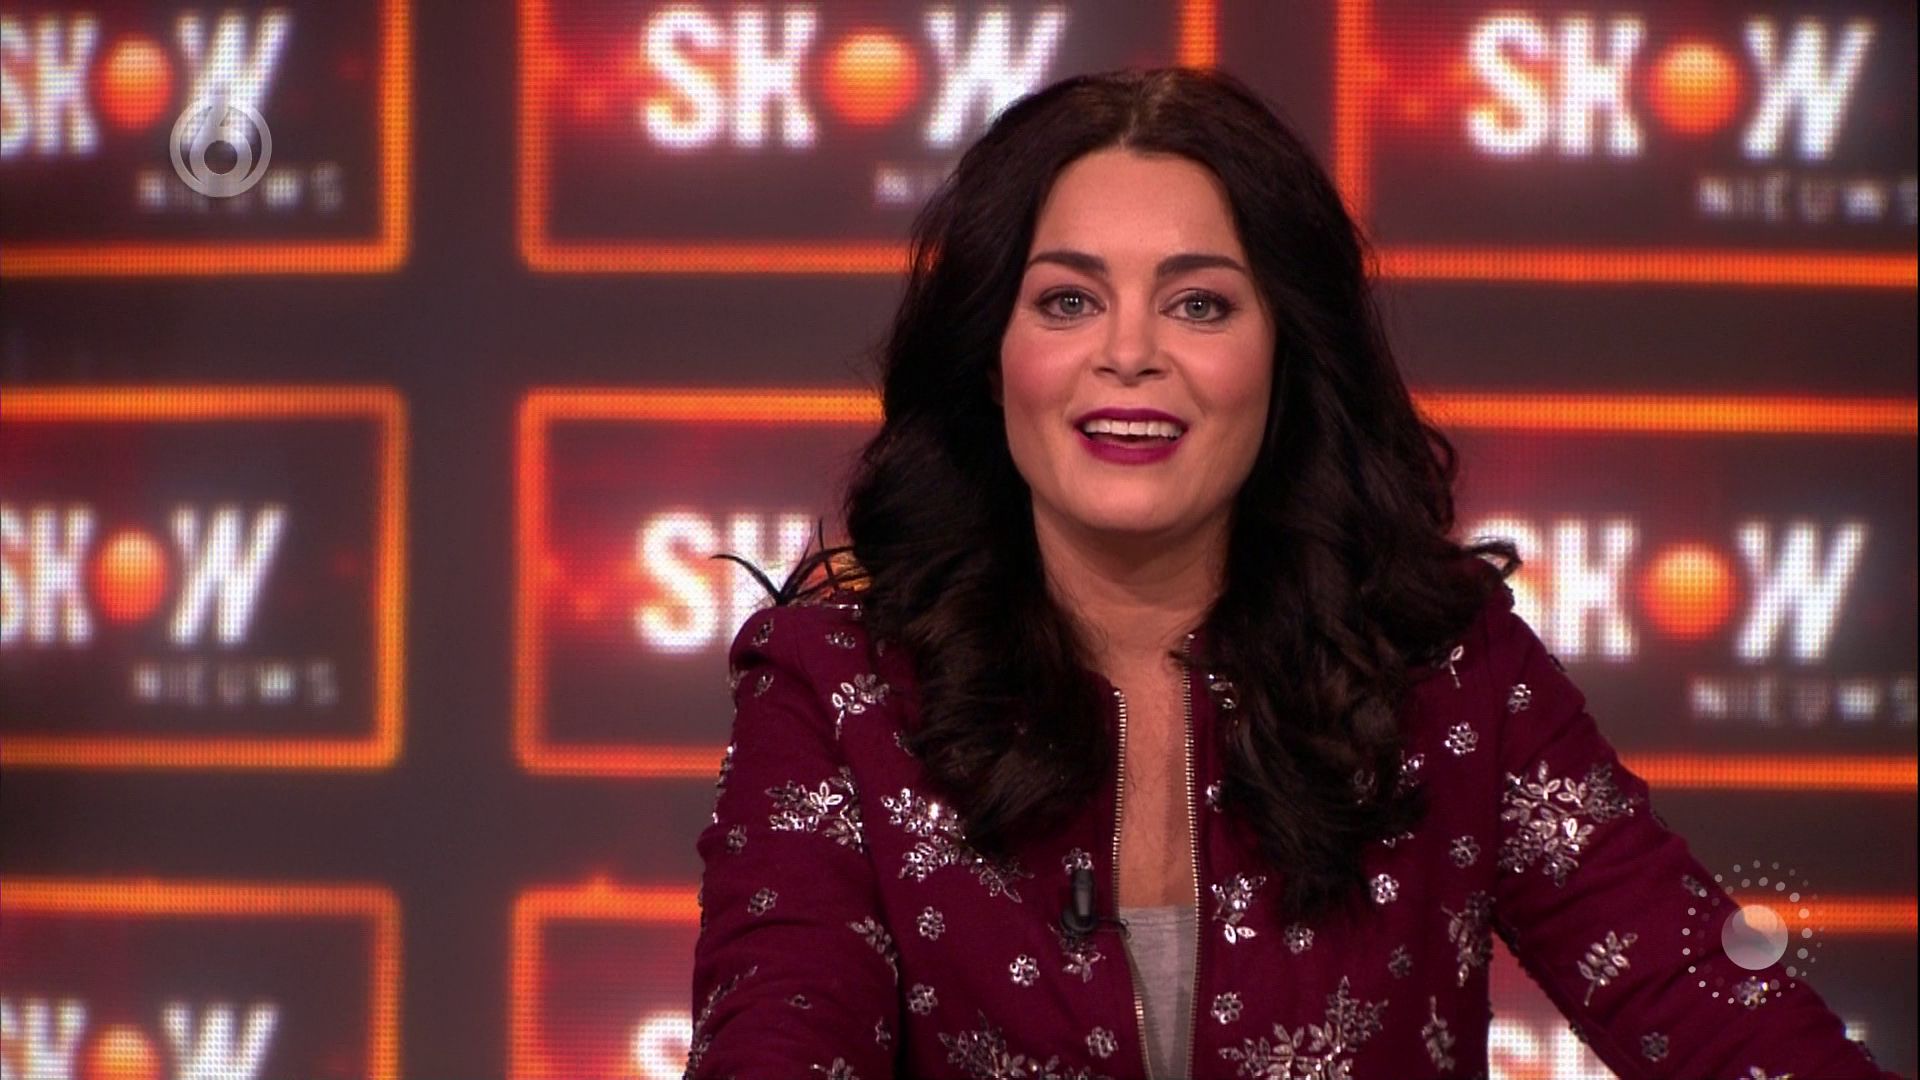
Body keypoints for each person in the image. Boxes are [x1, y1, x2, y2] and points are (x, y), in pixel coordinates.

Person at [685, 67, 1903, 1080]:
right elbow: (780, 1042)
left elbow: (1706, 1003)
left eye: (1199, 305)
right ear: (990, 356)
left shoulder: (1446, 674)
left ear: (1285, 356)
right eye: (1066, 301)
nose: (1128, 353)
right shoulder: (839, 696)